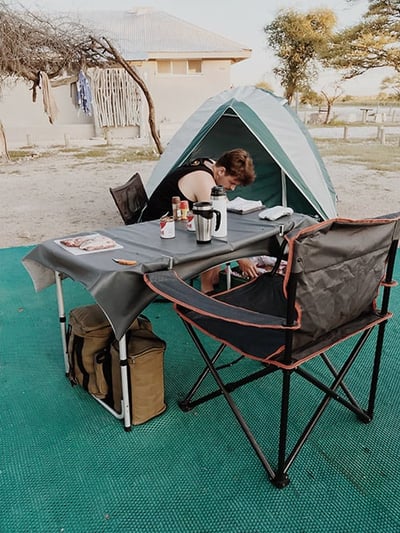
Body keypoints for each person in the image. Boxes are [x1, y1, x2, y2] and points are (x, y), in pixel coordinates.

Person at [141, 148, 259, 293]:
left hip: (170, 224)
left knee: (206, 226)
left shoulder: (209, 164)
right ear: (222, 171)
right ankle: (207, 290)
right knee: (210, 234)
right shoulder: (203, 180)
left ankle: (214, 280)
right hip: (156, 232)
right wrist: (242, 258)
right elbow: (220, 223)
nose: (233, 188)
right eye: (232, 182)